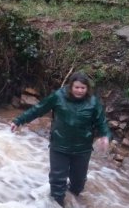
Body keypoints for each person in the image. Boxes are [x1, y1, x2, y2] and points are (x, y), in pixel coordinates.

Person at [9, 72, 110, 207]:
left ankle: (74, 201)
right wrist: (19, 120)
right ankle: (58, 202)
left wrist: (106, 136)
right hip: (59, 146)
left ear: (87, 89)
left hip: (82, 149)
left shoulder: (93, 102)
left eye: (83, 88)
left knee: (78, 182)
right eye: (77, 87)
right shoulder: (58, 96)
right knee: (57, 181)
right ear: (70, 86)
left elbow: (102, 122)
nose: (80, 91)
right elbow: (39, 109)